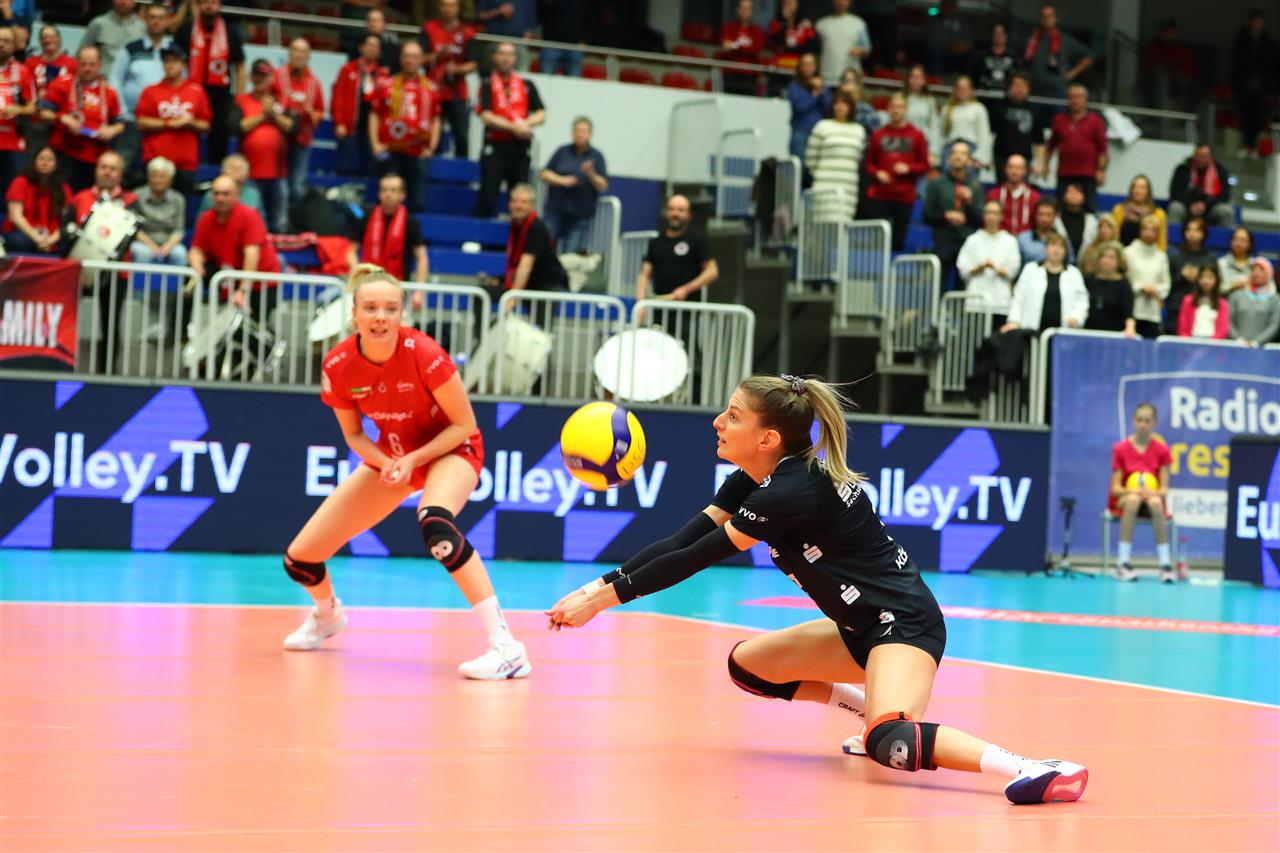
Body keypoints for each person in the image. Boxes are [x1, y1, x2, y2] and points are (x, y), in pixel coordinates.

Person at [546, 374, 1089, 806]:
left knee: (890, 743)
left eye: (732, 415)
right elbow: (682, 539)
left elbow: (696, 558)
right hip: (856, 629)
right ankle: (870, 708)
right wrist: (597, 587)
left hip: (902, 627)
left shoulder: (790, 490)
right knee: (748, 668)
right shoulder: (757, 478)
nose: (718, 422)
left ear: (768, 438)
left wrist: (603, 603)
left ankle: (1030, 767)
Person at [284, 263, 533, 681]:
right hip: (395, 457)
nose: (380, 317)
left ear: (402, 313)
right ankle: (327, 615)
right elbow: (353, 435)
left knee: (436, 525)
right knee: (301, 560)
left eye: (390, 308)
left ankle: (508, 649)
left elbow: (464, 425)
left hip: (452, 450)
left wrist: (412, 461)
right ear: (354, 314)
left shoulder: (424, 354)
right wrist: (387, 463)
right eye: (370, 308)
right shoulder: (338, 365)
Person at [63, 150, 140, 373]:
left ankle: (106, 374)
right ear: (96, 170)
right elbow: (66, 230)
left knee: (110, 323)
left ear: (120, 174)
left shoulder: (130, 202)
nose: (107, 172)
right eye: (103, 167)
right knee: (66, 320)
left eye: (112, 168)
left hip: (115, 273)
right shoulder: (80, 198)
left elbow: (132, 233)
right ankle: (62, 366)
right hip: (78, 270)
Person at [189, 175, 281, 316]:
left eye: (225, 194)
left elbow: (252, 255)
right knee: (189, 276)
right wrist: (197, 265)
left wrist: (243, 290)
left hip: (261, 282)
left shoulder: (249, 216)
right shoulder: (206, 218)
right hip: (229, 276)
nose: (220, 198)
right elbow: (196, 249)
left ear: (236, 195)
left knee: (254, 326)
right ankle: (179, 327)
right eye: (216, 193)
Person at [473, 41, 544, 218]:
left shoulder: (527, 84)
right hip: (495, 149)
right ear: (495, 57)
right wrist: (514, 127)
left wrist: (526, 123)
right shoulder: (487, 84)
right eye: (502, 54)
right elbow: (486, 116)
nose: (506, 58)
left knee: (520, 200)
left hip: (520, 150)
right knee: (487, 198)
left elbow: (541, 113)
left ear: (515, 59)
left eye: (510, 54)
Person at [39, 45, 124, 192]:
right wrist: (63, 118)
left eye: (92, 64)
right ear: (77, 63)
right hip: (65, 153)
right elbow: (43, 112)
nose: (87, 68)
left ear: (99, 65)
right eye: (83, 64)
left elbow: (120, 124)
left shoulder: (109, 92)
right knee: (62, 195)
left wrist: (111, 130)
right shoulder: (62, 83)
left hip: (95, 157)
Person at [369, 40, 439, 215]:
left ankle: (413, 232)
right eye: (406, 56)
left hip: (418, 152)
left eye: (414, 57)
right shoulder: (387, 84)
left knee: (417, 201)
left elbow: (436, 118)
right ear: (401, 59)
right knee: (387, 201)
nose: (410, 60)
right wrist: (375, 144)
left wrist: (432, 147)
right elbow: (374, 113)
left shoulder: (430, 88)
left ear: (421, 60)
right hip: (390, 151)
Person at [174, 0, 245, 166]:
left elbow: (239, 66)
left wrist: (239, 95)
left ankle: (216, 172)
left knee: (220, 134)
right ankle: (185, 167)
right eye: (205, 2)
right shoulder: (186, 30)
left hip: (221, 94)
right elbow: (175, 61)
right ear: (198, 5)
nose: (209, 6)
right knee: (186, 131)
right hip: (191, 92)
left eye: (213, 2)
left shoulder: (230, 32)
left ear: (219, 5)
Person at [135, 43, 211, 199]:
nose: (170, 65)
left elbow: (206, 125)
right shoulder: (151, 91)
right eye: (166, 61)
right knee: (151, 205)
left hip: (185, 162)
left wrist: (191, 123)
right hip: (156, 161)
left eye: (174, 61)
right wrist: (169, 123)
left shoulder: (196, 91)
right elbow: (141, 122)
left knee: (182, 206)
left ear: (183, 65)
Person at [1109, 403, 1174, 583]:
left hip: (1151, 499)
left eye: (1147, 420)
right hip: (1125, 500)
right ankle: (1123, 563)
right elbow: (1115, 489)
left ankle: (1165, 565)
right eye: (1139, 420)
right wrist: (1135, 491)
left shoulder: (1162, 450)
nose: (1143, 424)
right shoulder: (1120, 449)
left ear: (1154, 422)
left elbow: (1164, 489)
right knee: (1133, 500)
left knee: (1156, 502)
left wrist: (1152, 493)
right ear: (1133, 421)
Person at [107, 1, 172, 181]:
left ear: (167, 21)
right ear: (145, 20)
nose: (156, 21)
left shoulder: (174, 51)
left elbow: (181, 84)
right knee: (121, 167)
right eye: (152, 17)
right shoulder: (131, 48)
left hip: (162, 124)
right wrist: (123, 114)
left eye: (160, 18)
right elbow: (114, 79)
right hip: (132, 120)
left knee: (158, 173)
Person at [233, 59, 292, 233]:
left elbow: (292, 127)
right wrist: (262, 116)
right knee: (251, 221)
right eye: (256, 74)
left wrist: (273, 114)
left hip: (278, 173)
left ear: (272, 78)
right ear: (251, 77)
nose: (260, 79)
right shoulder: (241, 100)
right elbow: (236, 127)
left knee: (278, 223)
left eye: (264, 75)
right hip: (250, 173)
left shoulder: (282, 102)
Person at [864, 93, 928, 252]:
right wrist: (877, 173)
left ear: (906, 109)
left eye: (899, 107)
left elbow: (924, 166)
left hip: (904, 196)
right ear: (888, 109)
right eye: (893, 107)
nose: (896, 110)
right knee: (877, 241)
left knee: (899, 241)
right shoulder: (878, 135)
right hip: (880, 195)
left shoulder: (917, 135)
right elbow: (869, 164)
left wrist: (909, 168)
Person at [353, 173, 428, 308]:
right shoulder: (367, 216)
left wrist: (419, 291)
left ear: (402, 195)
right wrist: (357, 275)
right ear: (379, 193)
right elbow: (351, 251)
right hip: (367, 287)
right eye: (384, 190)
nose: (388, 194)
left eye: (393, 190)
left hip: (398, 290)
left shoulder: (411, 221)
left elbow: (421, 257)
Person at [538, 116, 607, 254]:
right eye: (577, 131)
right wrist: (561, 180)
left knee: (571, 254)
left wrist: (591, 174)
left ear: (590, 134)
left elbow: (603, 185)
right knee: (545, 248)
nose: (579, 134)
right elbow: (544, 173)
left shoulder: (597, 156)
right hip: (555, 211)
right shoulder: (562, 151)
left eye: (583, 131)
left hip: (580, 215)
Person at [635, 194, 718, 302]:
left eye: (680, 210)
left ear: (688, 214)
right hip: (660, 306)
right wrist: (640, 303)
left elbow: (712, 272)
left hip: (688, 308)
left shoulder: (696, 240)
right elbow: (644, 274)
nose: (675, 213)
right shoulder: (655, 242)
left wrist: (686, 290)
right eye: (671, 209)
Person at [1002, 231, 1087, 335]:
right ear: (1045, 249)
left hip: (1063, 332)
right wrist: (1014, 320)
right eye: (1053, 245)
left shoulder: (1074, 273)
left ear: (1065, 251)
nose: (1056, 250)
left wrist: (1077, 318)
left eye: (1061, 247)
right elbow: (1018, 297)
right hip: (1030, 329)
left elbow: (1082, 300)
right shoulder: (1031, 269)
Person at [922, 141, 982, 290]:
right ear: (948, 158)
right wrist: (945, 216)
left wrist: (970, 203)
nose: (958, 156)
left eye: (963, 153)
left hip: (966, 243)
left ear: (969, 160)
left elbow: (980, 220)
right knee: (939, 287)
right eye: (954, 152)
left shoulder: (975, 186)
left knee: (962, 289)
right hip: (943, 242)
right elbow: (927, 215)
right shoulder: (936, 183)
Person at [272, 38, 324, 206]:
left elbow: (320, 110)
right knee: (277, 183)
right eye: (295, 50)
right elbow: (267, 100)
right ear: (289, 53)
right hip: (279, 138)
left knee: (296, 186)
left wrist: (314, 115)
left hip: (303, 139)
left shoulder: (314, 82)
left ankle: (293, 218)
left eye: (303, 52)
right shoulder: (276, 75)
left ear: (309, 56)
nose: (299, 55)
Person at [422, 0, 476, 158]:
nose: (448, 9)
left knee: (461, 137)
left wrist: (457, 69)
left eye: (452, 5)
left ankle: (461, 171)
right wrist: (437, 55)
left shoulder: (468, 32)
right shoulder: (428, 29)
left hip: (457, 93)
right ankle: (431, 168)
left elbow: (473, 64)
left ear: (458, 8)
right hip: (432, 92)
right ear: (439, 7)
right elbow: (420, 58)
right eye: (444, 5)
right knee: (431, 137)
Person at [491, 183, 567, 292]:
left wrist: (512, 297)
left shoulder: (536, 227)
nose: (518, 206)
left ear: (532, 206)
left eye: (523, 202)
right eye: (514, 201)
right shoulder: (515, 226)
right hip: (530, 284)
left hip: (549, 287)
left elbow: (526, 265)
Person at [805, 89, 865, 226]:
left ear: (850, 107)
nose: (840, 107)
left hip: (848, 186)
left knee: (843, 226)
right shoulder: (822, 126)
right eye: (837, 103)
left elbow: (859, 158)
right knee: (821, 227)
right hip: (824, 184)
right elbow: (810, 157)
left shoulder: (859, 130)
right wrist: (820, 173)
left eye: (844, 104)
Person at [1042, 83, 1105, 212]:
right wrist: (1046, 165)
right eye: (1072, 97)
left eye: (1079, 97)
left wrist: (1101, 170)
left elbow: (1102, 149)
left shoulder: (1095, 121)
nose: (1075, 101)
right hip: (1065, 173)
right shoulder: (1059, 120)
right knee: (1059, 207)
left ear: (1085, 100)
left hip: (1087, 174)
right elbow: (1051, 145)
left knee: (1089, 207)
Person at [331, 35, 387, 178]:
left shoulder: (383, 74)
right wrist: (339, 122)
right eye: (369, 45)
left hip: (372, 130)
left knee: (370, 169)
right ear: (361, 47)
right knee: (345, 167)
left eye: (375, 46)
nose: (372, 48)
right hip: (350, 127)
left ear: (380, 51)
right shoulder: (347, 69)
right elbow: (338, 97)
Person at [957, 200, 1020, 320]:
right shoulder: (972, 240)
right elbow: (963, 270)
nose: (991, 216)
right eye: (988, 212)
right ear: (984, 215)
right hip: (975, 302)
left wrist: (994, 267)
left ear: (1001, 216)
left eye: (995, 213)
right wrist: (981, 266)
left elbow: (1012, 272)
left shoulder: (1010, 241)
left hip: (1000, 303)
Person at [2, 145, 69, 254]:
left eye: (50, 160)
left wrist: (49, 241)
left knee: (68, 242)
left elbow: (66, 222)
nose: (45, 163)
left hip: (51, 238)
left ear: (56, 165)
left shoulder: (64, 189)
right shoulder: (20, 182)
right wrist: (37, 239)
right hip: (25, 234)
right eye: (41, 159)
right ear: (34, 162)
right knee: (18, 241)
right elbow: (15, 216)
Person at [1230, 10, 1278, 158]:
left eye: (1259, 22)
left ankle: (1255, 146)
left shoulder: (1268, 43)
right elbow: (1236, 65)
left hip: (1261, 86)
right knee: (1245, 116)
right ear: (1251, 22)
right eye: (1255, 21)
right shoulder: (1242, 41)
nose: (1257, 24)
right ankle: (1247, 145)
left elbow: (1273, 67)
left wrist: (1271, 87)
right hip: (1245, 85)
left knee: (1259, 117)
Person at [1022, 4, 1092, 103]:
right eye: (1044, 16)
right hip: (1034, 90)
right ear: (1040, 19)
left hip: (1057, 92)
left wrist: (1072, 73)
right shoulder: (1032, 40)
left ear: (1055, 18)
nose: (1047, 19)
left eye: (1050, 16)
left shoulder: (1064, 40)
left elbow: (1089, 56)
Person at [23, 24, 76, 155]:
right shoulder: (30, 63)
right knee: (34, 157)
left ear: (59, 39)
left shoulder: (72, 64)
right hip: (37, 120)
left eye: (52, 36)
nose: (48, 40)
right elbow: (26, 92)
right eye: (44, 37)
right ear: (40, 41)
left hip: (62, 123)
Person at [129, 155, 187, 266]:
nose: (158, 180)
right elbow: (133, 228)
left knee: (180, 253)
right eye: (154, 176)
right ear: (148, 178)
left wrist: (167, 247)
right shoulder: (137, 195)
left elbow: (179, 230)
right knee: (143, 253)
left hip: (169, 242)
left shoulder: (178, 199)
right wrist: (152, 246)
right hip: (143, 242)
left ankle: (177, 279)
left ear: (170, 179)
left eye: (162, 176)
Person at [990, 72, 1046, 186]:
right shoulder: (999, 106)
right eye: (1016, 85)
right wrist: (989, 157)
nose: (1019, 89)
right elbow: (990, 134)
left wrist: (1039, 163)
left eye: (1023, 86)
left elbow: (1040, 142)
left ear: (1028, 89)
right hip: (1002, 159)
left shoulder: (1035, 111)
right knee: (1002, 190)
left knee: (1022, 191)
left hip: (1025, 160)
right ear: (1010, 87)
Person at [1122, 215, 1171, 339]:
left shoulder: (1162, 257)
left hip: (1153, 313)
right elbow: (1123, 281)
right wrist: (1141, 288)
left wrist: (1156, 289)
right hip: (1131, 311)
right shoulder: (1128, 252)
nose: (1149, 233)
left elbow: (1166, 286)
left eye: (1153, 230)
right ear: (1140, 231)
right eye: (1145, 229)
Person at [1164, 217, 1215, 334]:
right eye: (1189, 230)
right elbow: (1167, 285)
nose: (1192, 234)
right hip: (1176, 308)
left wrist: (1200, 278)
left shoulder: (1209, 258)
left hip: (1202, 309)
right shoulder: (1175, 257)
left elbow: (1215, 285)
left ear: (1203, 234)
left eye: (1197, 230)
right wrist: (1182, 275)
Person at [0, 25, 35, 192]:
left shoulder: (23, 72)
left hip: (13, 142)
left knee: (10, 191)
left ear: (14, 46)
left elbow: (32, 108)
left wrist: (18, 109)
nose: (1, 44)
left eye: (6, 41)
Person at [1168, 144, 1233, 228]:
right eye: (1199, 155)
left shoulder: (1220, 171)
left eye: (1204, 156)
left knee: (1225, 211)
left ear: (1211, 157)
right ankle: (1172, 236)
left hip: (1211, 208)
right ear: (1194, 156)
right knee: (1175, 208)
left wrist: (1206, 204)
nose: (1201, 159)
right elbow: (1175, 192)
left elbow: (1225, 195)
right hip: (1187, 206)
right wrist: (1190, 204)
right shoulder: (1183, 169)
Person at [940, 76, 991, 174]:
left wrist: (980, 157)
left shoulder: (979, 108)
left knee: (969, 177)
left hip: (971, 148)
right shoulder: (947, 108)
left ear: (971, 90)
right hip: (950, 148)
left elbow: (984, 135)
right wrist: (937, 154)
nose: (962, 90)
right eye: (959, 88)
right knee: (947, 178)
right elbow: (941, 134)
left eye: (965, 87)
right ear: (955, 90)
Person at [1083, 243, 1136, 337]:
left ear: (1119, 261)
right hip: (1088, 333)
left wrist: (1130, 328)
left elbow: (1129, 312)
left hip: (1114, 335)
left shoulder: (1123, 284)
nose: (1106, 261)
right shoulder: (1088, 280)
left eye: (1111, 257)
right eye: (1103, 256)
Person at [80, 0, 144, 77]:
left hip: (132, 79)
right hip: (104, 78)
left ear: (134, 2)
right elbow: (82, 53)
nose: (123, 1)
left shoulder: (143, 27)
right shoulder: (99, 24)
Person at [195, 152, 265, 221]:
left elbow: (261, 222)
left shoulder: (254, 194)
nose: (236, 171)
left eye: (240, 168)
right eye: (232, 167)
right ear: (223, 172)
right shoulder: (212, 195)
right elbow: (201, 222)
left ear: (247, 173)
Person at [1228, 257, 1280, 347]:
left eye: (1261, 270)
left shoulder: (1275, 299)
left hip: (1263, 349)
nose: (1256, 274)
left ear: (1269, 273)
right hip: (1236, 346)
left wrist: (1256, 342)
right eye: (1253, 270)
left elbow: (1274, 325)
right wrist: (1239, 340)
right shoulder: (1236, 296)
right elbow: (1228, 321)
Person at [785, 53, 828, 160]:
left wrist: (821, 91)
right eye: (804, 64)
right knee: (799, 165)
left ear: (816, 66)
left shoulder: (823, 85)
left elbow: (828, 108)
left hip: (820, 132)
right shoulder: (794, 86)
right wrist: (814, 94)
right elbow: (800, 108)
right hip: (800, 131)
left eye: (810, 64)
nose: (807, 67)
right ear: (799, 67)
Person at [719, 0, 766, 97]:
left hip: (750, 75)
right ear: (738, 10)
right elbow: (725, 46)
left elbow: (756, 49)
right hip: (730, 73)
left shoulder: (757, 31)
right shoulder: (728, 28)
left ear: (752, 11)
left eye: (748, 9)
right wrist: (743, 45)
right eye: (743, 8)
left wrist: (735, 45)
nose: (745, 11)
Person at [816, 0, 871, 82]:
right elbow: (815, 52)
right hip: (826, 76)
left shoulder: (859, 23)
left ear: (850, 2)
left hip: (850, 78)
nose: (841, 2)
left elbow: (867, 49)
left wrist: (861, 51)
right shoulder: (821, 24)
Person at [987, 154, 1039, 236]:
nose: (1014, 171)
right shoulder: (994, 195)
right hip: (999, 239)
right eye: (1011, 167)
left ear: (1025, 171)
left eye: (1019, 168)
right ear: (1005, 169)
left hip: (1026, 241)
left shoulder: (1035, 197)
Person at [539, 0, 593, 78]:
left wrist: (586, 41)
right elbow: (540, 15)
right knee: (545, 78)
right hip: (551, 45)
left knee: (574, 81)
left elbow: (591, 22)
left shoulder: (584, 2)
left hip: (574, 47)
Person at [1111, 174, 1165, 250]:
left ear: (1148, 191)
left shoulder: (1158, 214)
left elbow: (1161, 244)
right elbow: (1112, 238)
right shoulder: (1119, 210)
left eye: (1142, 188)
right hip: (1122, 252)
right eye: (1135, 187)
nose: (1138, 191)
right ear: (1131, 190)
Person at [902, 64, 940, 169]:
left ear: (924, 81)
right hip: (903, 145)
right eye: (913, 77)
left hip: (923, 146)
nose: (916, 80)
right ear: (908, 79)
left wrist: (933, 152)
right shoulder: (901, 99)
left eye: (919, 77)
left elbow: (935, 127)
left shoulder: (930, 101)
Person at [1177, 264, 1229, 340]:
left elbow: (1223, 330)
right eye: (1202, 277)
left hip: (1214, 343)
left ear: (1216, 280)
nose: (1206, 281)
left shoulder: (1222, 303)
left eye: (1210, 277)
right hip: (1191, 341)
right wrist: (1188, 342)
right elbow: (1183, 326)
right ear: (1198, 279)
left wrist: (1211, 342)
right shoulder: (1188, 300)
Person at [768, 0, 817, 80]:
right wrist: (786, 23)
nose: (788, 6)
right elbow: (776, 44)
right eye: (785, 3)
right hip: (779, 69)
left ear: (797, 4)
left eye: (791, 3)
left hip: (800, 70)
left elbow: (812, 47)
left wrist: (793, 48)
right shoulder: (776, 24)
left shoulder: (805, 24)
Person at [970, 21, 1018, 101]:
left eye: (1001, 34)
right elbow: (972, 77)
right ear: (992, 36)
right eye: (996, 34)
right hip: (984, 98)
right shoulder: (981, 57)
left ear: (1006, 36)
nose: (998, 37)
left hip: (1006, 100)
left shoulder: (1013, 58)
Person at [343, 7, 399, 73]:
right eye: (370, 21)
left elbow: (394, 71)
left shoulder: (392, 48)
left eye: (377, 21)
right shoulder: (355, 45)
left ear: (384, 25)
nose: (373, 24)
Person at [925, 0, 973, 77]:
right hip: (942, 52)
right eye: (947, 5)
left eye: (952, 6)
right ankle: (936, 80)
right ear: (942, 7)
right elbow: (932, 41)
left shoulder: (961, 21)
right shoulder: (934, 21)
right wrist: (951, 46)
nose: (949, 8)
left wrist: (964, 46)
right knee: (936, 53)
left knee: (972, 55)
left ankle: (965, 80)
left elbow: (969, 41)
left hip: (960, 53)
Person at [1016, 198, 1070, 266]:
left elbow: (1070, 263)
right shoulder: (1023, 238)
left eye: (1048, 215)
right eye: (1040, 214)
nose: (1044, 219)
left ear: (1056, 216)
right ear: (1035, 215)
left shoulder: (1063, 238)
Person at [1056, 182, 1097, 262]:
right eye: (1070, 191)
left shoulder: (1091, 221)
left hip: (1086, 263)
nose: (1073, 194)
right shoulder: (1056, 220)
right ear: (1063, 196)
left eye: (1078, 191)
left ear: (1084, 197)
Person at [1076, 212, 1117, 277]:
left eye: (1108, 226)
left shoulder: (1119, 250)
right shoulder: (1090, 250)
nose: (1104, 229)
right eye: (1101, 226)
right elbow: (1087, 271)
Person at [1218, 227, 1254, 295]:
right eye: (1235, 239)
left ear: (1250, 244)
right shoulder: (1222, 263)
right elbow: (1216, 288)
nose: (1238, 243)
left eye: (1243, 241)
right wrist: (1232, 286)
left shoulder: (1255, 264)